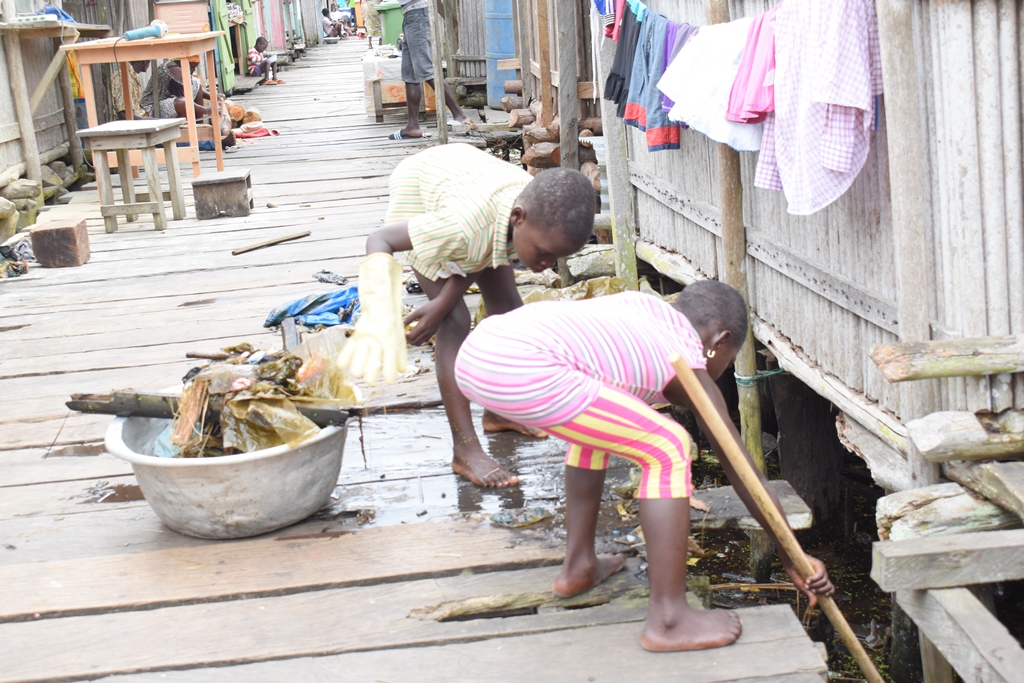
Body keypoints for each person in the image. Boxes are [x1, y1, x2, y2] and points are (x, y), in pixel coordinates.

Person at [454, 281, 836, 651]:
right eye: (728, 360)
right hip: (522, 364)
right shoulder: (684, 352)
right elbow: (740, 467)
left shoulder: (643, 312)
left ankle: (579, 566)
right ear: (719, 343)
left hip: (480, 351)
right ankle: (669, 620)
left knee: (600, 429)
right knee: (668, 445)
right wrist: (792, 557)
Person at [337, 143, 595, 487]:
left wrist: (445, 298)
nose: (546, 266)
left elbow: (479, 252)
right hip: (423, 188)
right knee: (455, 321)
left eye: (555, 260)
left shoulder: (524, 217)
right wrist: (380, 311)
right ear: (519, 219)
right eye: (545, 254)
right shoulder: (460, 227)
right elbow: (380, 239)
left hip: (477, 193)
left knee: (509, 313)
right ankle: (465, 448)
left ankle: (499, 410)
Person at [388, 0, 471, 139]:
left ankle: (460, 115)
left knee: (427, 71)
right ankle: (413, 126)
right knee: (410, 74)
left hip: (418, 13)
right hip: (410, 13)